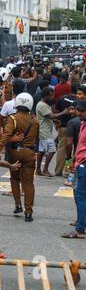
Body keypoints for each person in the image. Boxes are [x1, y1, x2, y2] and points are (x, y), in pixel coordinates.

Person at [0, 93, 39, 222]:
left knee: (15, 179)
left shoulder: (13, 118)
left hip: (15, 151)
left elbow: (7, 134)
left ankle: (18, 205)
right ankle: (28, 212)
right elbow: (37, 138)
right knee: (29, 183)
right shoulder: (35, 121)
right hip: (30, 152)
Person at [62, 99, 86, 239]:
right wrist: (73, 159)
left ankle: (80, 229)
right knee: (79, 196)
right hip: (80, 162)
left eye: (82, 111)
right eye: (79, 111)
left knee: (80, 196)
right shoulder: (82, 124)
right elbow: (80, 146)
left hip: (84, 164)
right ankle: (81, 222)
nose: (80, 114)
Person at [36, 87, 68, 177]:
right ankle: (45, 169)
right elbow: (51, 115)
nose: (53, 97)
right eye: (51, 96)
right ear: (46, 95)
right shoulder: (42, 105)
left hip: (44, 130)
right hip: (44, 131)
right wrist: (63, 112)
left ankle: (38, 169)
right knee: (52, 150)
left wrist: (55, 121)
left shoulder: (45, 104)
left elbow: (47, 117)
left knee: (41, 151)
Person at [54, 93, 77, 177]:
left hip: (63, 127)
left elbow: (56, 111)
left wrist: (57, 122)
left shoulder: (63, 98)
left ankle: (58, 171)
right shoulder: (81, 100)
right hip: (78, 127)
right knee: (76, 149)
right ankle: (70, 171)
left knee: (62, 150)